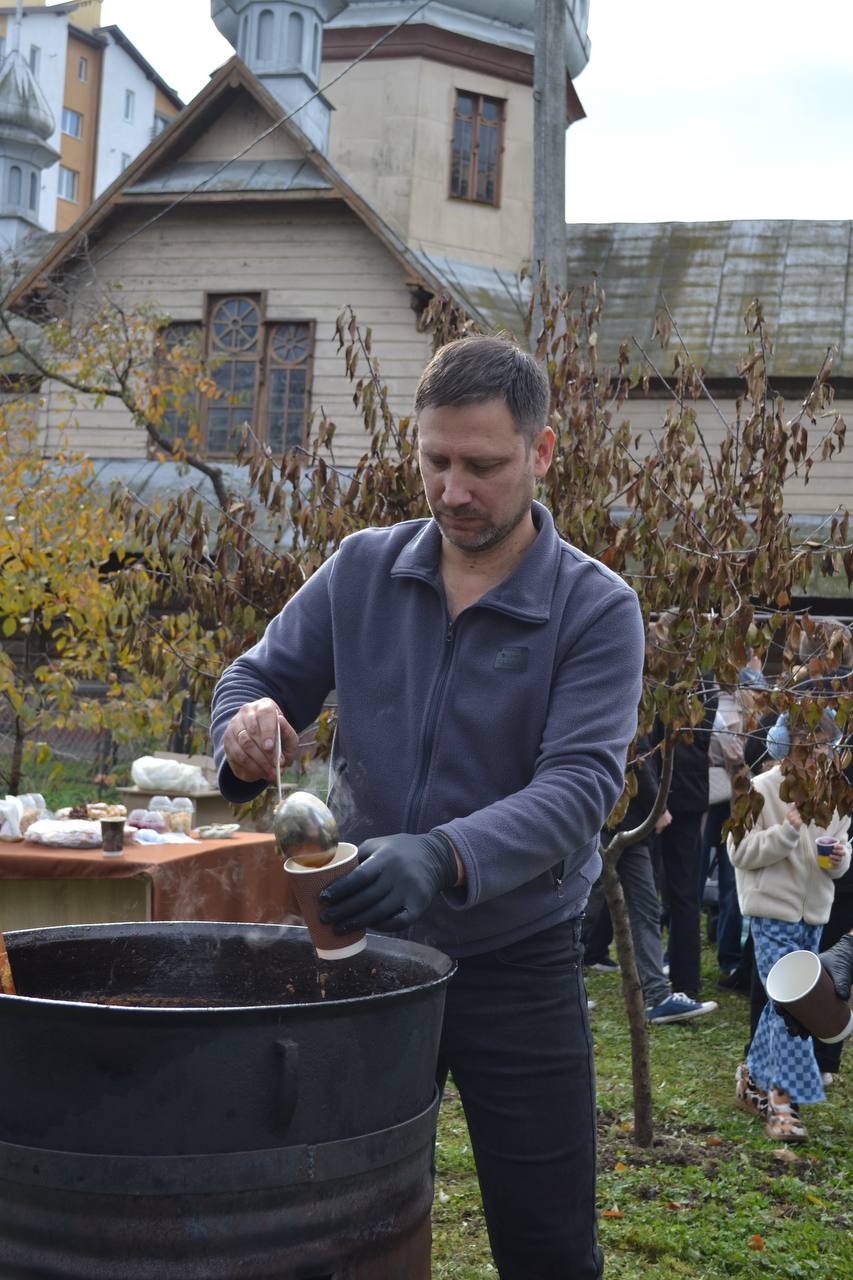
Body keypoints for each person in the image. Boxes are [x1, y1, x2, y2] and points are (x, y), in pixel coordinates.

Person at [210, 335, 646, 1280]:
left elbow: (579, 789)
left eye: (483, 465)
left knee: (547, 1245)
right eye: (433, 461)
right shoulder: (363, 568)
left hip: (516, 965)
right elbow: (256, 675)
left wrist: (441, 854)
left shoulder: (595, 609)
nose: (453, 490)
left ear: (542, 452)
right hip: (365, 952)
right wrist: (242, 729)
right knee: (325, 1224)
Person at [728, 709, 851, 1141]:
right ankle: (782, 1103)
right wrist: (784, 833)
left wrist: (839, 860)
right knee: (793, 1006)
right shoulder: (761, 789)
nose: (814, 750)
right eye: (804, 740)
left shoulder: (834, 795)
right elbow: (739, 852)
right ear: (785, 742)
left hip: (814, 914)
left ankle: (751, 1078)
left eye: (820, 740)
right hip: (771, 913)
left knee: (788, 1003)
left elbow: (841, 855)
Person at [586, 735, 718, 1024]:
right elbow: (639, 759)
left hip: (628, 826)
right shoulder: (626, 696)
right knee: (584, 905)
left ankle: (657, 995)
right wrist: (658, 809)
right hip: (609, 821)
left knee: (642, 908)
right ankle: (565, 988)